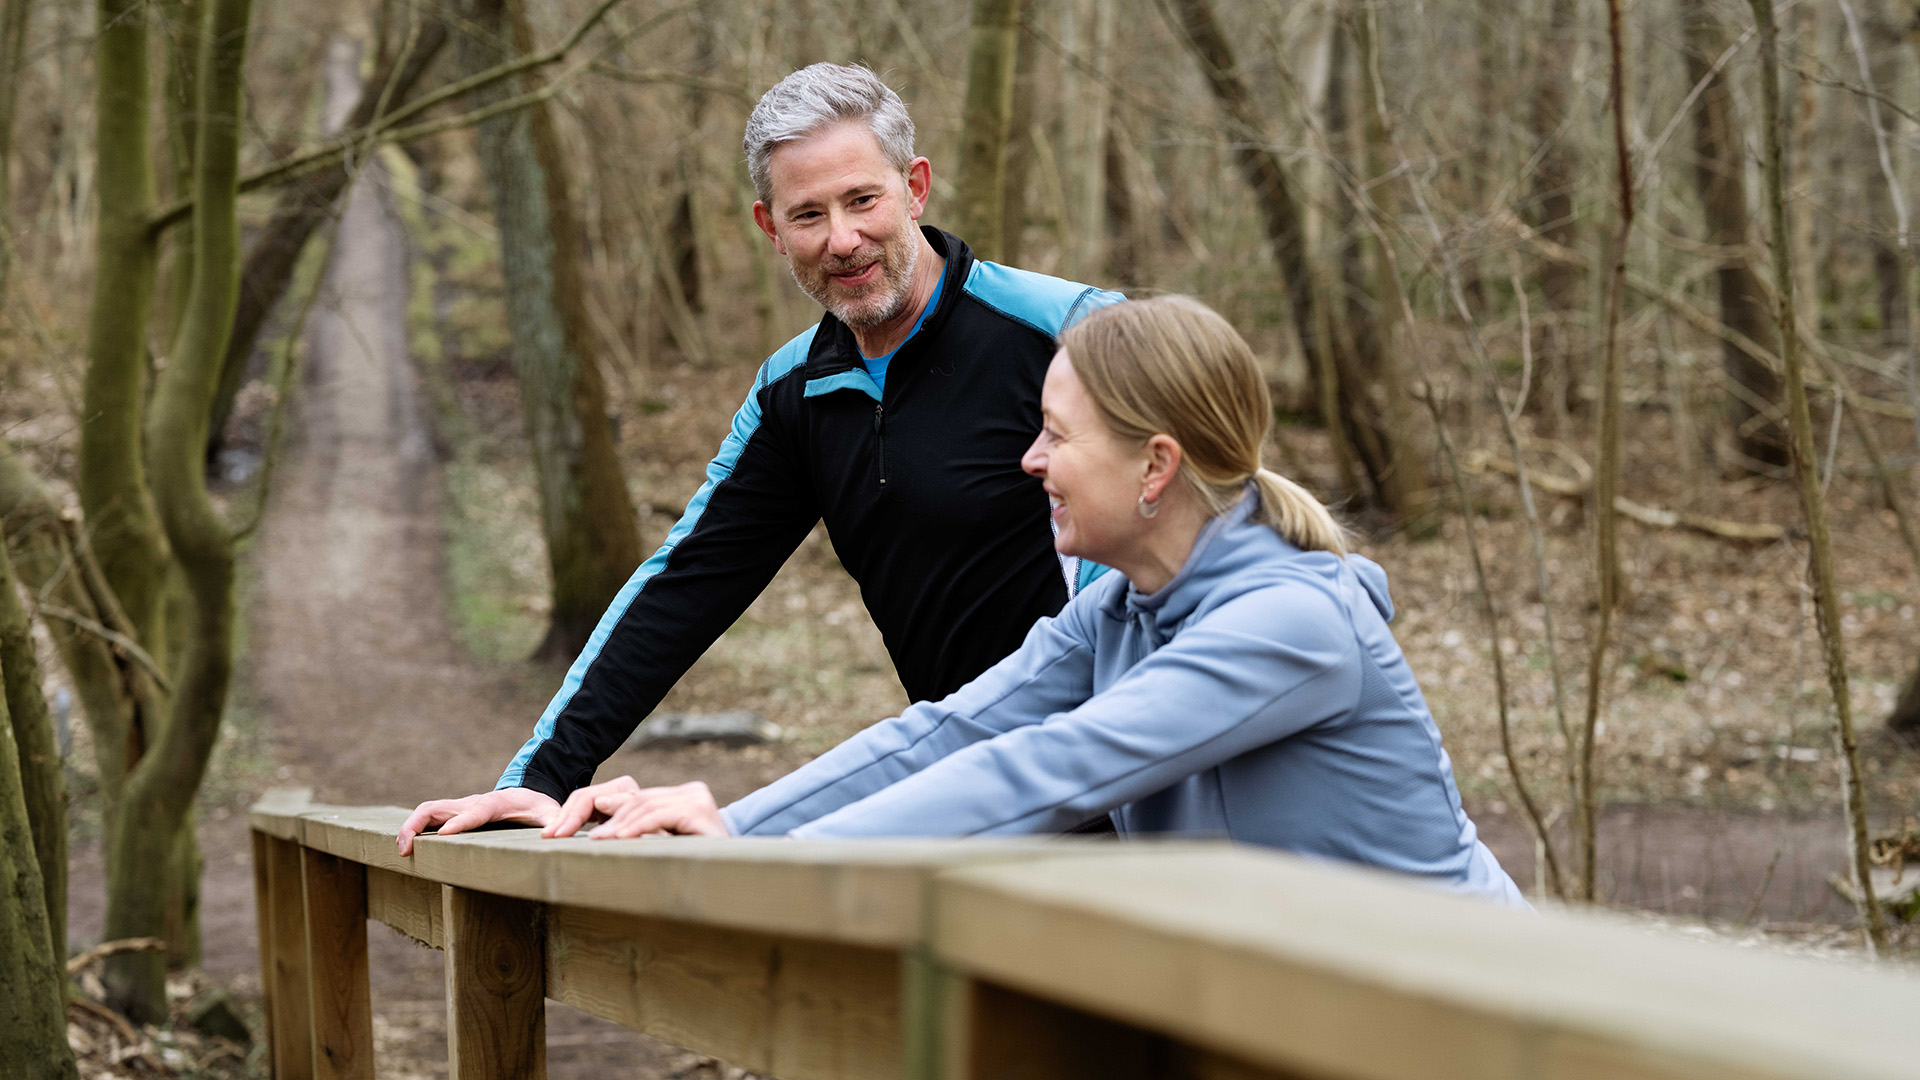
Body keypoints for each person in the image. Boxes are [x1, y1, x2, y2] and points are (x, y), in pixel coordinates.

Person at [531, 297, 1528, 908]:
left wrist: (776, 862)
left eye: (1056, 435)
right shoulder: (1127, 610)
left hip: (1475, 1032)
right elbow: (956, 731)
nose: (1030, 461)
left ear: (1155, 467)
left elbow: (1053, 768)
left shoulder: (1289, 625)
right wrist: (740, 831)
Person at [397, 63, 1123, 855]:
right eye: (807, 214)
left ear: (914, 188)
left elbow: (1170, 569)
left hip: (1128, 788)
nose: (842, 240)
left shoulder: (1068, 333)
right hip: (969, 804)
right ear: (770, 227)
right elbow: (686, 583)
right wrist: (536, 779)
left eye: (862, 200)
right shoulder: (795, 394)